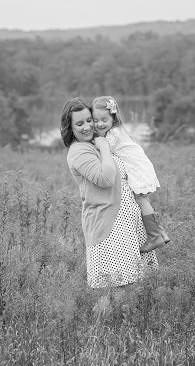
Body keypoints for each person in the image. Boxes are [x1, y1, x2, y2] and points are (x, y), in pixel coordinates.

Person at [62, 98, 158, 292]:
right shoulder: (80, 151)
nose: (88, 126)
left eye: (89, 120)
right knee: (118, 287)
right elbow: (106, 179)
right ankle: (108, 322)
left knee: (137, 283)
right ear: (70, 128)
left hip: (126, 221)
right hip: (109, 223)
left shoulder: (99, 141)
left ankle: (136, 321)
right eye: (79, 124)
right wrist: (104, 147)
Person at [90, 96, 170, 253]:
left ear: (113, 118)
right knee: (143, 200)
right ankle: (160, 232)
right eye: (95, 120)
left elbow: (103, 149)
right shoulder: (115, 131)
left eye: (104, 120)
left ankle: (154, 237)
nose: (99, 124)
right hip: (140, 165)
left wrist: (90, 143)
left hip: (138, 168)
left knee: (140, 199)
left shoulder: (113, 135)